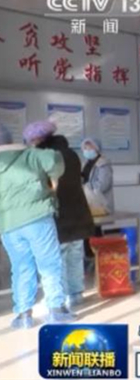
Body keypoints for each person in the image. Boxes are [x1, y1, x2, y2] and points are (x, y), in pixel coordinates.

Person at [0, 124, 76, 328]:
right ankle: (56, 309)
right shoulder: (30, 155)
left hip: (8, 223)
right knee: (48, 263)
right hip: (38, 218)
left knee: (21, 267)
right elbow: (54, 159)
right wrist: (53, 178)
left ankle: (23, 314)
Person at [24, 121, 95, 308]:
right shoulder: (71, 154)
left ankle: (60, 298)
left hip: (59, 215)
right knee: (75, 255)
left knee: (59, 258)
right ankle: (76, 294)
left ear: (39, 140)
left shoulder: (45, 157)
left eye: (32, 141)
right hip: (79, 213)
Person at [81, 138, 115, 214]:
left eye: (90, 148)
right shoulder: (86, 164)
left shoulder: (103, 164)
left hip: (102, 204)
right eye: (85, 148)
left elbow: (103, 185)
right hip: (89, 202)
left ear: (97, 149)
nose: (87, 151)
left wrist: (86, 187)